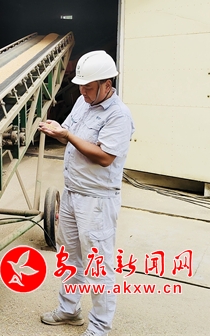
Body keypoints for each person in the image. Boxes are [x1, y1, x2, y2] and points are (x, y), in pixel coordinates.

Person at [39, 50, 135, 336]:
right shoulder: (83, 102)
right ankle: (69, 310)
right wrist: (58, 130)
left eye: (89, 87)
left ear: (107, 84)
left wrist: (68, 136)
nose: (83, 91)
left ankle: (99, 328)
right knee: (69, 256)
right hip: (72, 192)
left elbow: (105, 157)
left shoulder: (118, 115)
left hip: (96, 199)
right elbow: (68, 132)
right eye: (81, 86)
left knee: (97, 264)